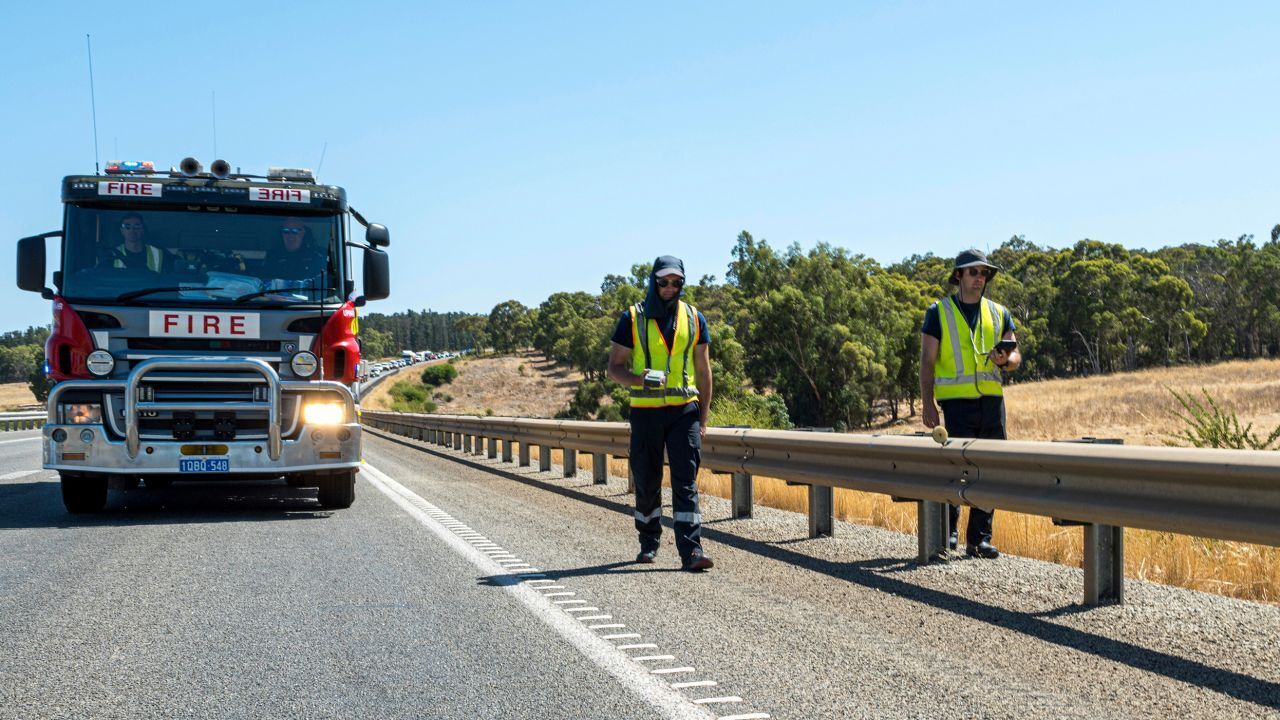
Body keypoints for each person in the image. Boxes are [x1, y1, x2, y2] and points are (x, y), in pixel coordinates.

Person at [607, 256, 715, 572]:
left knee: (686, 483)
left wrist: (704, 418)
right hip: (645, 412)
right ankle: (649, 542)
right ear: (654, 281)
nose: (671, 288)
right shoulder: (632, 318)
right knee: (647, 479)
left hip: (685, 412)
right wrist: (639, 378)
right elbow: (614, 368)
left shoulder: (695, 318)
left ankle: (692, 550)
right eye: (664, 282)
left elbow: (703, 370)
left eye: (677, 282)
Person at [919, 248, 1021, 560]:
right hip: (956, 405)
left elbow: (1016, 356)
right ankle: (947, 534)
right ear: (958, 275)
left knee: (989, 469)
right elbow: (927, 362)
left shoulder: (999, 312)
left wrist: (1006, 360)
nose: (980, 278)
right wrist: (927, 405)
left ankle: (980, 539)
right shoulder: (939, 312)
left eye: (984, 273)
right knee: (957, 469)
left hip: (992, 403)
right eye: (973, 272)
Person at [260, 217, 327, 281]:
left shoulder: (317, 257)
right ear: (282, 234)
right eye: (286, 231)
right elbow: (266, 283)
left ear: (303, 233)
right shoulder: (272, 257)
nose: (290, 235)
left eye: (295, 231)